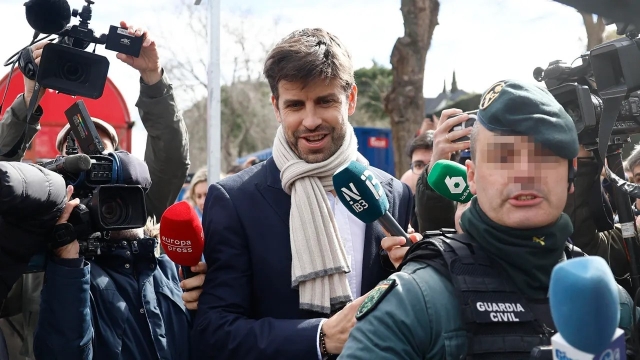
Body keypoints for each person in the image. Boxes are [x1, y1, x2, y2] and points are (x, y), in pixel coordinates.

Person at [340, 79, 639, 359]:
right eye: (503, 157)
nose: (524, 173)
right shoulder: (413, 301)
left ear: (571, 173)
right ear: (471, 176)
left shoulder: (612, 302)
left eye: (544, 155)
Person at [192, 28, 414, 360]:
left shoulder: (394, 193)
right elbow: (214, 332)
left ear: (350, 99)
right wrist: (320, 338)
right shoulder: (235, 200)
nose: (310, 121)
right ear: (276, 108)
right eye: (295, 105)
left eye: (325, 101)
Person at [0, 21, 190, 360]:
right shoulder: (40, 232)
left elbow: (171, 161)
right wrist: (29, 100)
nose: (85, 158)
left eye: (99, 155)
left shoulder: (137, 215)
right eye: (72, 152)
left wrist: (153, 78)